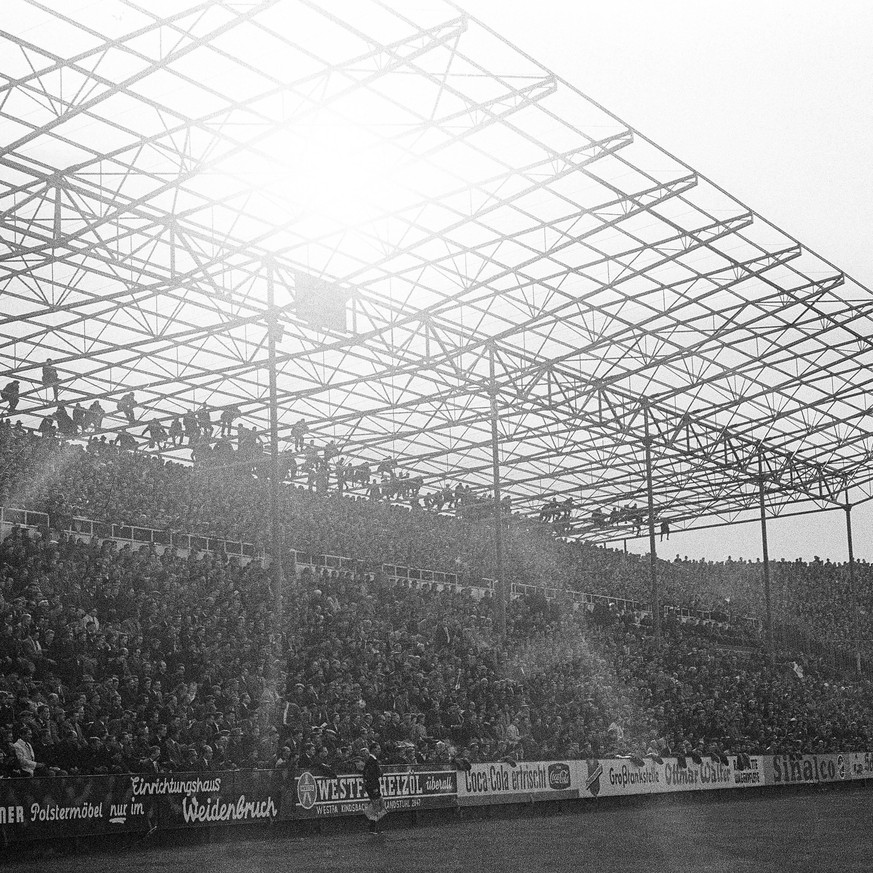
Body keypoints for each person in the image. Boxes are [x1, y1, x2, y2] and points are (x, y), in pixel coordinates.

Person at [359, 747, 386, 835]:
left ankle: (373, 824)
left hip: (372, 785)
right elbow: (377, 773)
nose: (365, 756)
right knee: (377, 805)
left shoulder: (370, 762)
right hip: (372, 786)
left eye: (366, 754)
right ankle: (372, 827)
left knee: (380, 805)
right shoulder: (370, 762)